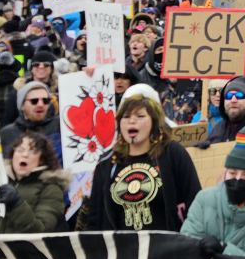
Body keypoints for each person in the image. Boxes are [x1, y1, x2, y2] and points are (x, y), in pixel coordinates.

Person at [84, 86, 201, 232]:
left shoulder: (172, 153)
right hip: (123, 246)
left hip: (166, 245)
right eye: (126, 116)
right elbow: (95, 220)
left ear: (154, 121)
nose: (132, 121)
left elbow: (196, 202)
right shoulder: (107, 164)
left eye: (140, 116)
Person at [181, 125, 245, 259]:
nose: (238, 179)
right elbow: (185, 245)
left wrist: (225, 250)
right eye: (232, 173)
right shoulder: (204, 200)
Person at [0, 131, 68, 234]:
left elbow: (42, 230)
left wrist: (16, 204)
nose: (25, 155)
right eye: (20, 150)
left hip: (22, 245)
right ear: (13, 155)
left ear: (42, 159)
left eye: (33, 151)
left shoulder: (51, 189)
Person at [0, 79, 60, 157]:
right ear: (22, 105)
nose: (40, 104)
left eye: (45, 100)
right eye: (34, 101)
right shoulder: (7, 133)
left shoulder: (59, 126)